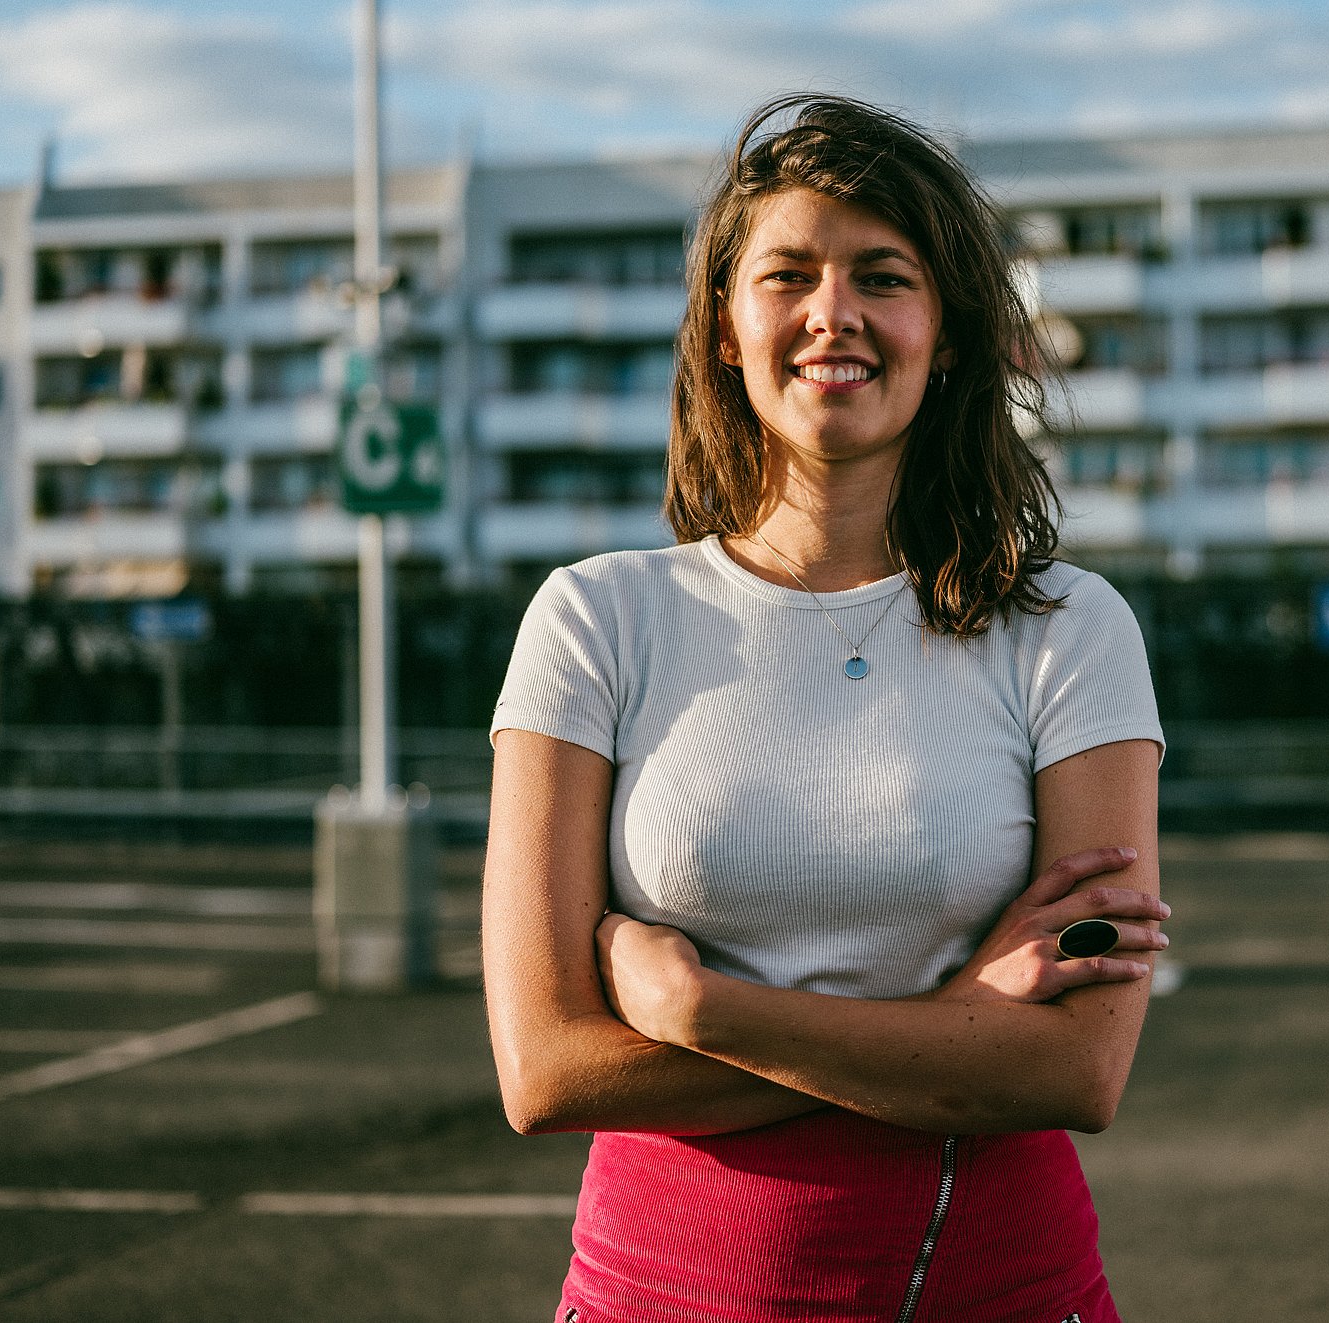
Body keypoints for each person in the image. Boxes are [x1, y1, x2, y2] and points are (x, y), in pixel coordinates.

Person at [484, 92, 1166, 1323]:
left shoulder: (1070, 629)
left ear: (945, 333)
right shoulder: (594, 619)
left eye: (884, 276)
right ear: (725, 330)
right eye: (787, 274)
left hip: (998, 1290)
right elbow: (545, 1066)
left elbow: (1075, 1064)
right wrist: (954, 1030)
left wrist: (702, 1011)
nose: (832, 314)